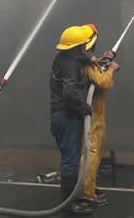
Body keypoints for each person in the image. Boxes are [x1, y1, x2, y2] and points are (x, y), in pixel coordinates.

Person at [50, 25, 95, 216]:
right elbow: (69, 94)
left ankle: (69, 201)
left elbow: (79, 57)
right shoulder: (70, 66)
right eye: (83, 46)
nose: (86, 48)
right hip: (67, 116)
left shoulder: (63, 58)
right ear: (77, 47)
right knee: (70, 161)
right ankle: (68, 204)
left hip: (58, 116)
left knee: (70, 158)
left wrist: (93, 59)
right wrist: (84, 108)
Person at [80, 24, 120, 209]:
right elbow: (102, 81)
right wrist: (111, 69)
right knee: (92, 152)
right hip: (92, 114)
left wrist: (104, 60)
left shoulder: (87, 61)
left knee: (95, 152)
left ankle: (91, 188)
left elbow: (97, 72)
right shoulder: (86, 64)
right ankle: (86, 193)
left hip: (96, 112)